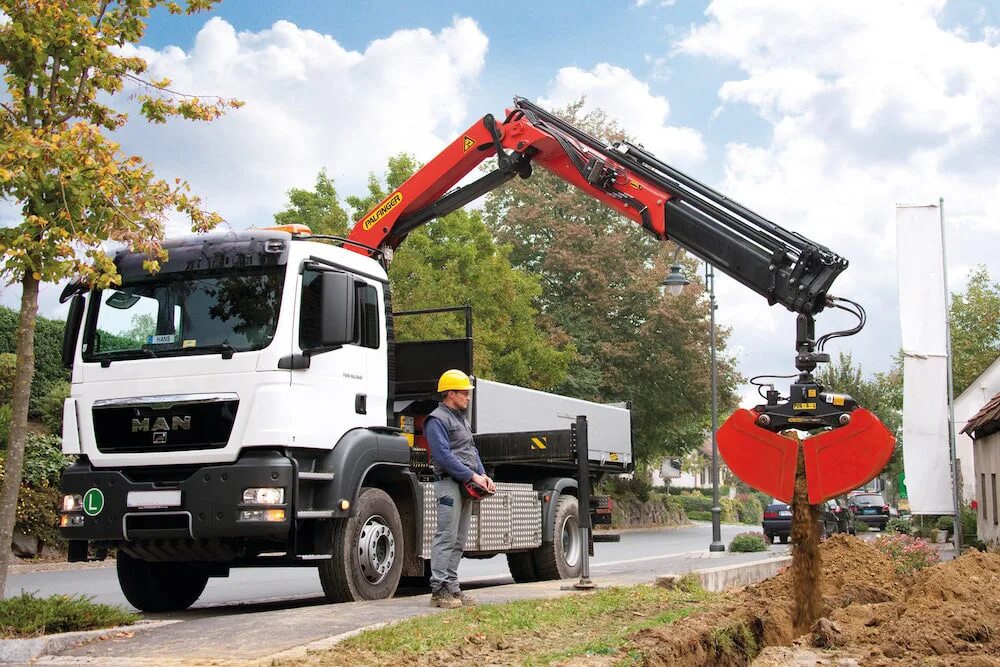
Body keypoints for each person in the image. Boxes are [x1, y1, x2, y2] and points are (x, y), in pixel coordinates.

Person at [425, 369, 496, 609]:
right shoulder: (436, 420)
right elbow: (443, 456)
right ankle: (439, 591)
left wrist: (483, 475)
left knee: (459, 538)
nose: (468, 397)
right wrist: (472, 475)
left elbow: (471, 450)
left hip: (466, 484)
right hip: (448, 483)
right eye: (464, 393)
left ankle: (452, 588)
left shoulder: (460, 419)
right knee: (446, 536)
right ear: (451, 393)